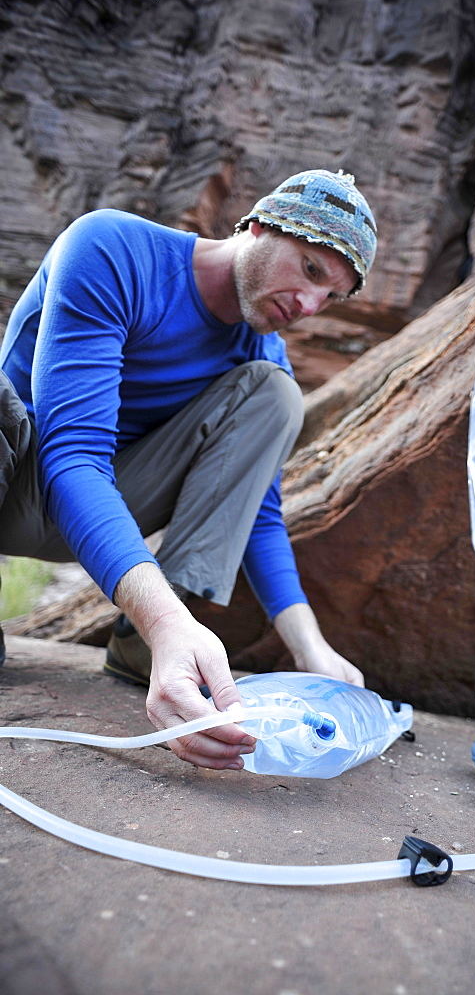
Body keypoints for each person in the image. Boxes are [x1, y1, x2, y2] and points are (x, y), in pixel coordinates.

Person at [0, 168, 378, 771]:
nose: (309, 306)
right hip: (19, 479)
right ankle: (165, 626)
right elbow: (70, 453)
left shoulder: (260, 354)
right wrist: (169, 622)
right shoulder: (113, 250)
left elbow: (260, 510)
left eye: (331, 297)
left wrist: (312, 651)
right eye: (310, 270)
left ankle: (144, 648)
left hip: (99, 508)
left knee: (276, 396)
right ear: (259, 226)